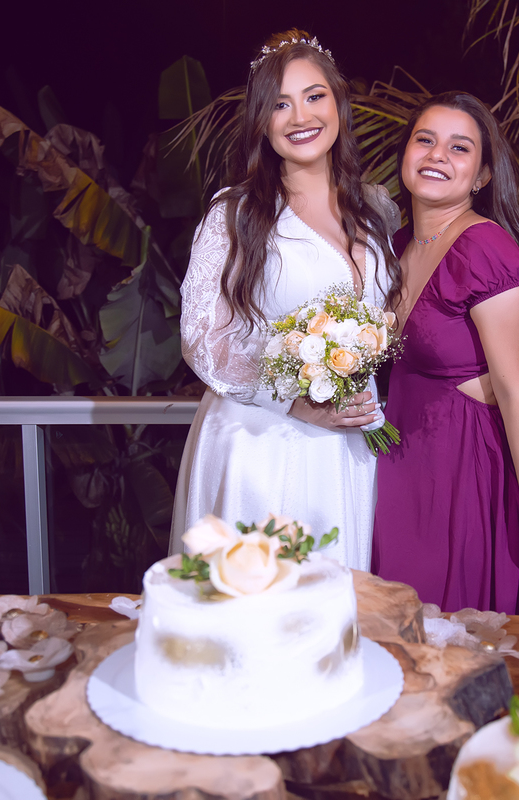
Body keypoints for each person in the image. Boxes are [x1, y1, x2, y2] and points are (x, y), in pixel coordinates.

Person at [171, 30, 402, 571]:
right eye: (280, 104)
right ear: (261, 121)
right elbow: (201, 338)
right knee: (256, 597)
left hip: (347, 446)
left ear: (338, 103)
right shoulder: (236, 213)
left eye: (314, 96)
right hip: (261, 443)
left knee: (339, 597)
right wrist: (295, 400)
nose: (301, 116)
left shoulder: (373, 212)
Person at [371, 92, 519, 613]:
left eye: (459, 148)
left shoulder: (486, 250)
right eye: (425, 140)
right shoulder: (397, 246)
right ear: (405, 154)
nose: (437, 155)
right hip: (403, 467)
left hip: (463, 469)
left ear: (481, 176)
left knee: (457, 631)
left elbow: (516, 391)